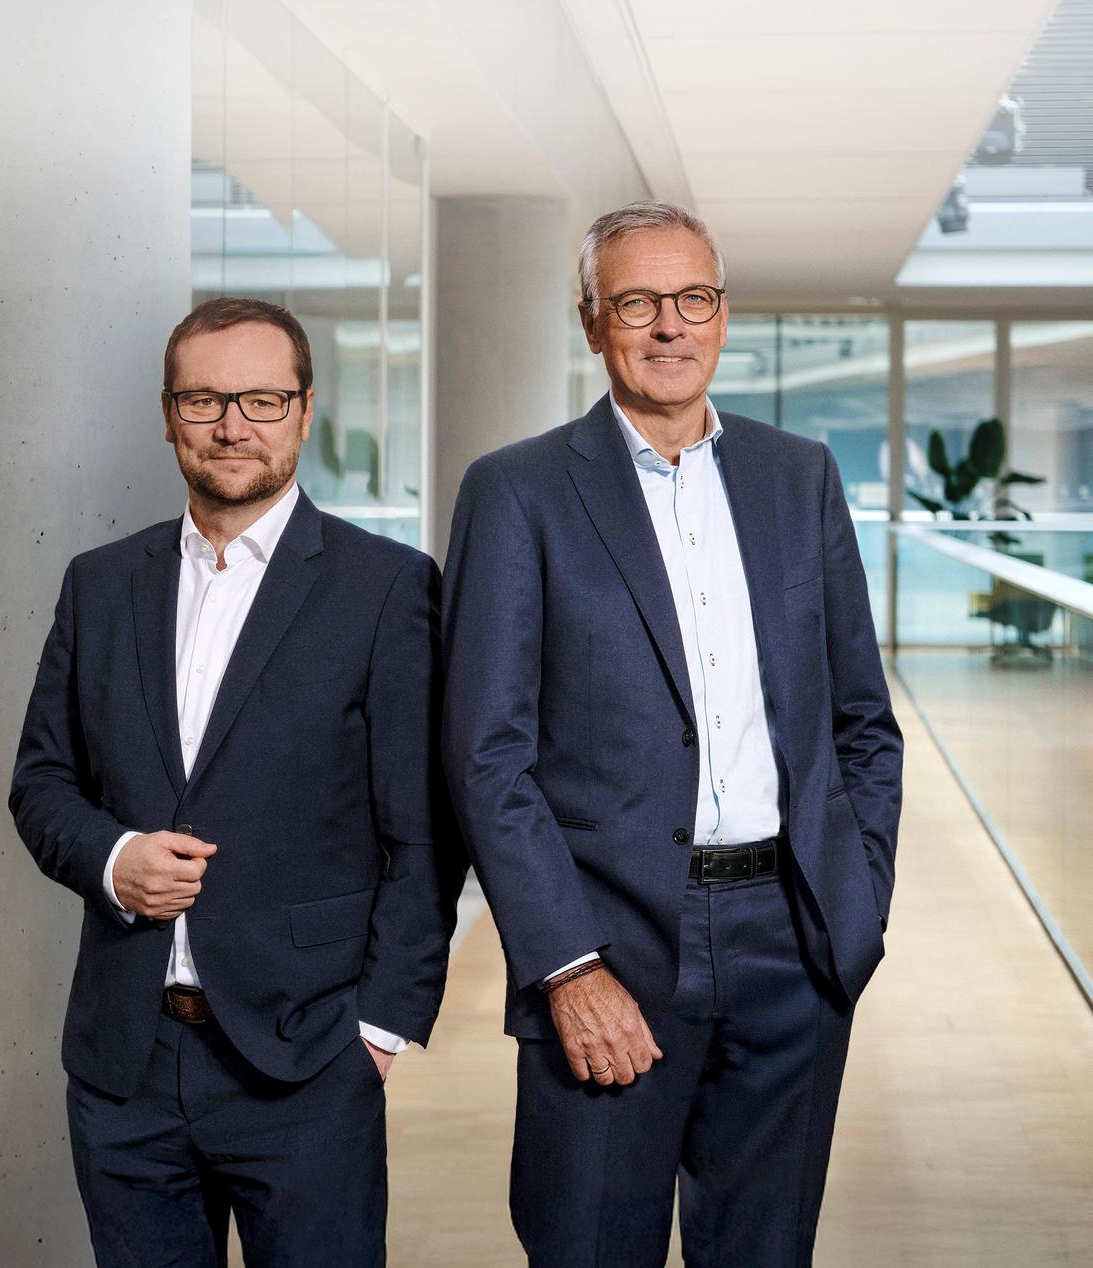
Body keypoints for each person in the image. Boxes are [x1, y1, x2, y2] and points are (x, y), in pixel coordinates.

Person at [441, 201, 903, 1267]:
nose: (669, 326)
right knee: (590, 1244)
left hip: (791, 937)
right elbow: (486, 757)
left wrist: (856, 897)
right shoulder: (517, 491)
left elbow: (860, 719)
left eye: (693, 298)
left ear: (723, 315)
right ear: (591, 321)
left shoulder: (799, 476)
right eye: (637, 302)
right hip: (609, 946)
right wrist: (565, 965)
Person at [10, 296, 455, 1267]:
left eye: (261, 399)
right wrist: (115, 859)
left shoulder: (386, 587)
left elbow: (425, 829)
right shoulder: (100, 583)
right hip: (125, 1068)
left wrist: (380, 1030)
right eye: (203, 400)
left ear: (304, 410)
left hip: (307, 1061)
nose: (231, 425)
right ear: (169, 415)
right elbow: (41, 780)